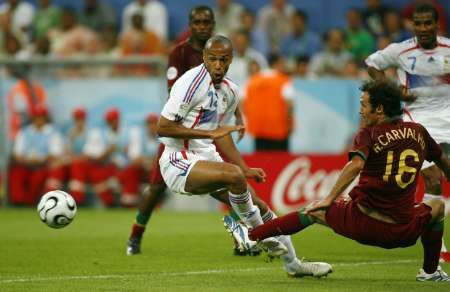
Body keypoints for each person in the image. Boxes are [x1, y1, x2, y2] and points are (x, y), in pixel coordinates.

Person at [156, 34, 332, 277]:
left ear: (231, 60)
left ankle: (294, 265)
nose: (218, 65)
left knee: (259, 204)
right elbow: (163, 127)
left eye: (223, 60)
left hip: (206, 159)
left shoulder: (230, 91)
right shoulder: (190, 83)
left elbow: (222, 135)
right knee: (234, 177)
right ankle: (258, 235)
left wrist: (244, 167)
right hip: (178, 160)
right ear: (205, 58)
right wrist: (210, 135)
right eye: (213, 59)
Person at [248, 80, 450, 282]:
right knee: (438, 206)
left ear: (379, 109)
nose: (360, 110)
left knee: (314, 211)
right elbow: (443, 161)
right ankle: (430, 272)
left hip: (366, 224)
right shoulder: (418, 131)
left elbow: (355, 166)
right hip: (404, 230)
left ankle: (253, 235)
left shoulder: (368, 134)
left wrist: (329, 198)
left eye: (364, 105)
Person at [126, 5, 249, 257]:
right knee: (156, 187)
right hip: (180, 133)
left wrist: (235, 112)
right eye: (198, 22)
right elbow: (175, 94)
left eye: (207, 22)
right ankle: (135, 236)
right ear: (190, 25)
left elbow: (222, 89)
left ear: (213, 25)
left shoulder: (217, 51)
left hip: (207, 134)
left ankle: (242, 236)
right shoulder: (179, 53)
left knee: (229, 183)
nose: (202, 26)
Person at [365, 3, 450, 262]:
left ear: (437, 24)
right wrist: (392, 88)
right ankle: (439, 248)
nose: (423, 28)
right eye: (418, 23)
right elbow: (371, 63)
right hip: (418, 122)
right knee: (433, 177)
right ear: (413, 25)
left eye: (428, 23)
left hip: (448, 118)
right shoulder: (401, 50)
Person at [243, 53, 294, 151]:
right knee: (280, 162)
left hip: (259, 129)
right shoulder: (283, 80)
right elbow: (289, 105)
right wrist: (289, 123)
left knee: (261, 162)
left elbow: (242, 102)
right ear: (277, 63)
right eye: (282, 63)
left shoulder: (253, 80)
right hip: (279, 129)